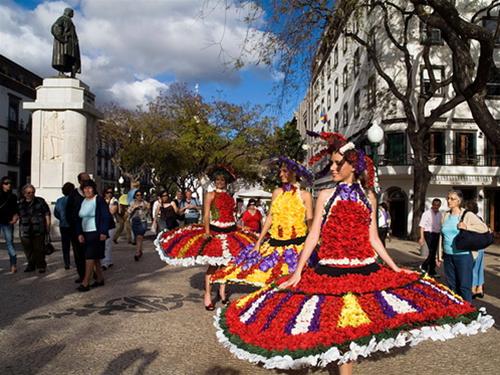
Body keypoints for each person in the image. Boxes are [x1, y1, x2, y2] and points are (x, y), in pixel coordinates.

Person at [215, 133, 493, 373]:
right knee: (337, 332)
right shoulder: (325, 195)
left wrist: (394, 268)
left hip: (364, 271)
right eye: (332, 163)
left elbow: (373, 237)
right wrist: (298, 272)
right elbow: (313, 237)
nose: (332, 168)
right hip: (330, 271)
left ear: (353, 166)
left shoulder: (368, 197)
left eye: (338, 164)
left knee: (350, 334)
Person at [155, 165, 258, 311]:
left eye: (222, 180)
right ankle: (208, 294)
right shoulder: (210, 194)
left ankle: (222, 292)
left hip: (230, 231)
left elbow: (231, 216)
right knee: (213, 265)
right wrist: (207, 231)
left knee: (227, 265)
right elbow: (206, 215)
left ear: (226, 181)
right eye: (217, 180)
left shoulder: (230, 197)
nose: (219, 182)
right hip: (215, 232)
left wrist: (240, 228)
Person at [212, 156, 314, 287]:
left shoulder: (305, 195)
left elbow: (310, 222)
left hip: (297, 247)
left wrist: (315, 243)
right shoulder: (277, 192)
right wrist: (259, 242)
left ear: (294, 172)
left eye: (284, 171)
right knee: (267, 280)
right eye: (280, 171)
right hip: (276, 245)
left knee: (294, 284)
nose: (280, 174)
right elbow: (270, 218)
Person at [438, 190, 488, 302]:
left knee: (464, 286)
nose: (449, 201)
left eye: (452, 199)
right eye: (448, 198)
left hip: (463, 255)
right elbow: (441, 236)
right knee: (452, 286)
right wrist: (439, 254)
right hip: (448, 256)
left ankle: (467, 312)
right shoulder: (445, 215)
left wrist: (467, 227)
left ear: (459, 201)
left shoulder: (467, 214)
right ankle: (455, 311)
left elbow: (484, 228)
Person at [75, 180, 110, 292]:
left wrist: (104, 232)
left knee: (89, 257)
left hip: (96, 232)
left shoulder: (99, 200)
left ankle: (85, 282)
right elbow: (79, 218)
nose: (87, 190)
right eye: (85, 188)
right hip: (86, 233)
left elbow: (106, 216)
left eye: (89, 188)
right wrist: (79, 233)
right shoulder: (83, 201)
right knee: (94, 258)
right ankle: (100, 279)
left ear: (94, 189)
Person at [18, 184, 51, 273]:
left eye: (32, 192)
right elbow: (17, 215)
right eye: (28, 193)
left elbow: (47, 213)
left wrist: (48, 225)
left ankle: (41, 266)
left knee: (39, 249)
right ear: (24, 193)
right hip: (25, 230)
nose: (31, 194)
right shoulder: (20, 203)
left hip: (39, 229)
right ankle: (31, 264)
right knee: (28, 249)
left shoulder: (40, 201)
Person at [66, 172, 90, 283]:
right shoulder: (73, 195)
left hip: (91, 229)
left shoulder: (93, 193)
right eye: (84, 180)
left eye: (88, 180)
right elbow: (68, 211)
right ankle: (82, 275)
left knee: (90, 253)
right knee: (79, 254)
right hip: (76, 229)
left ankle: (91, 273)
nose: (87, 182)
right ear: (79, 181)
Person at [51, 8, 81, 77]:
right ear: (68, 12)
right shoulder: (62, 19)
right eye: (72, 13)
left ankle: (72, 74)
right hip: (66, 42)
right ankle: (61, 72)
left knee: (72, 58)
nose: (73, 14)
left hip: (72, 43)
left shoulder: (69, 20)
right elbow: (55, 27)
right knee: (63, 56)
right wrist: (63, 38)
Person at [465, 200, 486, 299]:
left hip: (472, 246)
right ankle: (480, 288)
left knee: (472, 268)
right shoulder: (480, 218)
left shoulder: (468, 219)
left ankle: (473, 289)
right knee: (479, 268)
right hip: (481, 246)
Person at [418, 198, 442, 277]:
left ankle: (431, 270)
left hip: (436, 234)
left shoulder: (440, 214)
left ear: (439, 206)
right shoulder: (426, 213)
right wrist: (421, 237)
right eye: (435, 205)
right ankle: (425, 266)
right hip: (428, 233)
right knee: (431, 252)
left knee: (434, 252)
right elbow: (422, 226)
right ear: (432, 204)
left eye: (438, 205)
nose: (436, 207)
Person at [54, 182, 75, 269]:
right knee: (75, 245)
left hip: (63, 225)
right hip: (73, 225)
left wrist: (62, 219)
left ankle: (67, 263)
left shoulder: (59, 200)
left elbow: (56, 213)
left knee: (65, 245)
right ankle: (78, 261)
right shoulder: (74, 200)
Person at [0, 176, 19, 273]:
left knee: (9, 243)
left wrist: (15, 217)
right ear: (2, 184)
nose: (9, 185)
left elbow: (16, 209)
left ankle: (13, 264)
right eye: (6, 183)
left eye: (10, 183)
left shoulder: (13, 196)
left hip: (7, 222)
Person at [128, 190, 150, 261]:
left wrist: (147, 208)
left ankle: (137, 253)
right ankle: (140, 251)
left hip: (142, 221)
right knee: (137, 237)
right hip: (135, 221)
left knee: (139, 236)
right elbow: (128, 212)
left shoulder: (145, 203)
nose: (139, 196)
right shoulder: (132, 203)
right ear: (135, 196)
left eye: (140, 194)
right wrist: (134, 208)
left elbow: (148, 213)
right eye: (137, 195)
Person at [102, 188, 118, 270]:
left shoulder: (114, 201)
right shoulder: (101, 200)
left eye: (111, 192)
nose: (109, 194)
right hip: (102, 224)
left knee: (107, 244)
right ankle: (109, 260)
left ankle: (106, 262)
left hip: (111, 224)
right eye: (107, 192)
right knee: (104, 244)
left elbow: (112, 212)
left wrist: (107, 205)